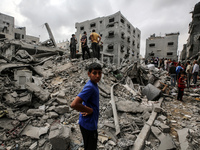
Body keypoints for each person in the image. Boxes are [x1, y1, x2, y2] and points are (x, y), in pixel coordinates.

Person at [70, 62, 102, 150]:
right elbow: (74, 104)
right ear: (89, 74)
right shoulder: (90, 87)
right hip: (89, 125)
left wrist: (86, 108)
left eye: (99, 73)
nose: (98, 76)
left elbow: (85, 99)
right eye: (94, 73)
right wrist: (89, 110)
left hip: (87, 123)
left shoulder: (94, 85)